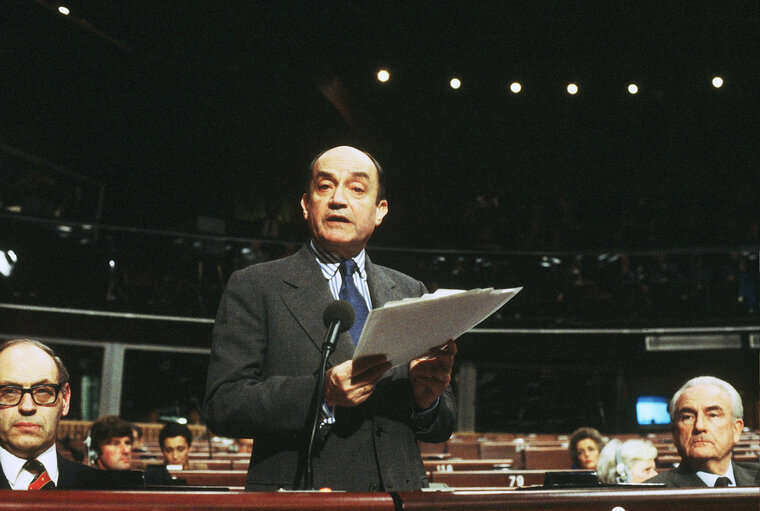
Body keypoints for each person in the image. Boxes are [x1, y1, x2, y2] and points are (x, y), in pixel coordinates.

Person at [204, 146, 456, 491]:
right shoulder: (254, 285)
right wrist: (322, 393)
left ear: (380, 210)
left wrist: (427, 399)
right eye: (325, 186)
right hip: (302, 493)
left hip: (399, 497)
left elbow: (441, 425)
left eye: (356, 188)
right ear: (307, 205)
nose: (338, 199)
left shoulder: (410, 290)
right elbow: (223, 405)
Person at [0, 339, 95, 489]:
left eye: (43, 391)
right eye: (9, 391)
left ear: (65, 399)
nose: (27, 406)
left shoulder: (101, 489)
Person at [646, 376, 760, 487]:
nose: (699, 426)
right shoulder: (647, 497)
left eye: (713, 415)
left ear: (736, 430)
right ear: (674, 433)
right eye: (687, 417)